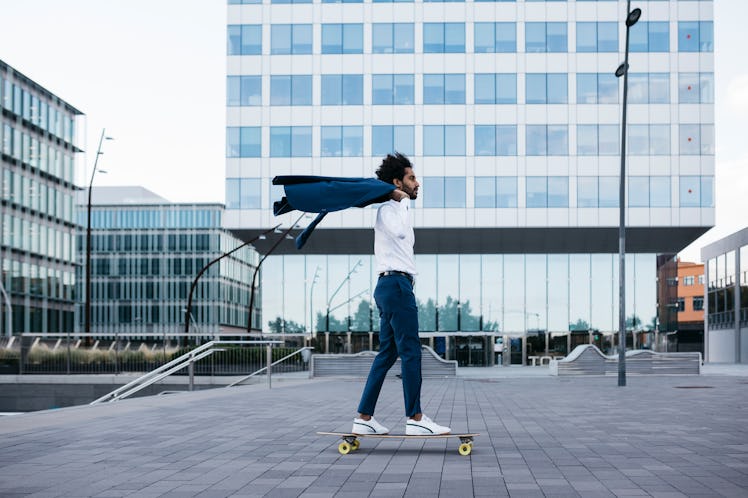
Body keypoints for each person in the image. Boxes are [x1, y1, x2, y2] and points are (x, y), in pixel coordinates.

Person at [352, 153, 451, 436]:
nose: (417, 183)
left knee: (388, 353)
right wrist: (401, 199)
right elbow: (400, 235)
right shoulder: (390, 210)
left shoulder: (397, 210)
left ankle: (364, 416)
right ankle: (416, 417)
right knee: (410, 351)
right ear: (397, 182)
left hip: (394, 286)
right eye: (411, 178)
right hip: (395, 286)